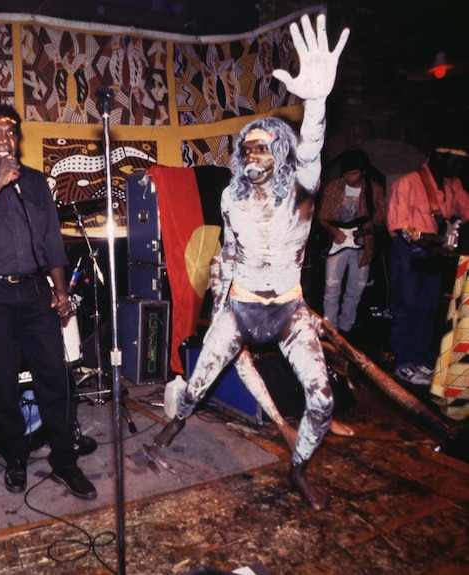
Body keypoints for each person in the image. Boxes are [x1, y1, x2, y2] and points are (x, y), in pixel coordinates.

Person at [152, 14, 349, 511]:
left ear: (280, 152)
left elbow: (313, 151)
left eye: (263, 147)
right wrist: (220, 295)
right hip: (240, 307)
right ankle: (161, 440)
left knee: (322, 399)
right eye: (247, 149)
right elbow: (232, 252)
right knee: (197, 387)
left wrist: (316, 102)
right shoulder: (231, 201)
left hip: (287, 310)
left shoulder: (302, 195)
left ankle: (299, 469)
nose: (253, 155)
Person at [0, 101, 96, 499]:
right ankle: (15, 458)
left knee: (55, 378)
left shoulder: (35, 182)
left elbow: (51, 243)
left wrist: (61, 291)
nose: (5, 139)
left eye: (10, 132)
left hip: (34, 290)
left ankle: (65, 461)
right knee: (2, 383)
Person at [387, 146, 469, 386]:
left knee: (428, 308)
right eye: (457, 163)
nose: (461, 169)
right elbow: (401, 227)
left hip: (434, 252)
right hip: (409, 251)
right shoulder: (408, 183)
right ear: (441, 158)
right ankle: (403, 364)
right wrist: (431, 247)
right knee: (407, 307)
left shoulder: (452, 185)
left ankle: (420, 360)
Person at [318, 148, 386, 335]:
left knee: (355, 290)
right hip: (337, 244)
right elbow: (321, 217)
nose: (349, 177)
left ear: (363, 171)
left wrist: (370, 227)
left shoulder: (374, 189)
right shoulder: (334, 188)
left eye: (354, 173)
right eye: (346, 173)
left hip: (363, 245)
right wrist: (333, 231)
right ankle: (330, 329)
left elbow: (381, 217)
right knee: (331, 287)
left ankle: (346, 328)